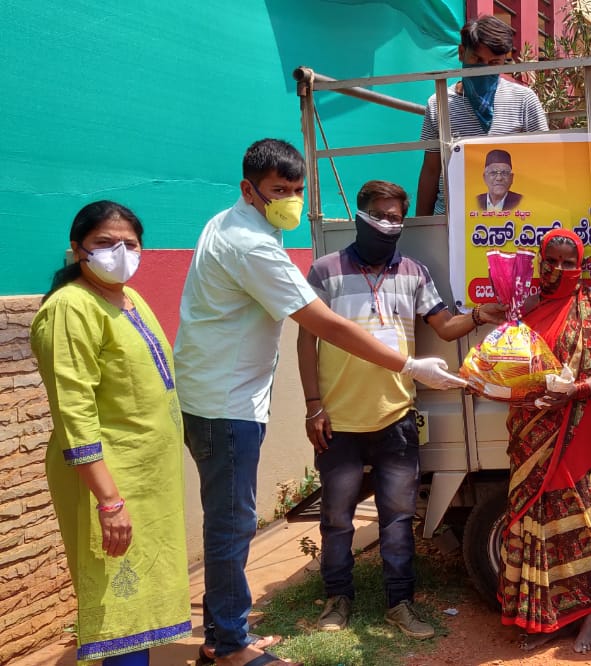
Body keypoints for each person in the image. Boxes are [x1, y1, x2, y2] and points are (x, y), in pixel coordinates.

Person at [175, 139, 465, 666]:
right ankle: (231, 644)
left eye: (296, 190)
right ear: (249, 190)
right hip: (229, 403)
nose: (290, 200)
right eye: (277, 191)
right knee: (236, 524)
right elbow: (320, 326)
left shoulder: (236, 226)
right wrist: (404, 366)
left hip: (241, 398)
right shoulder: (259, 248)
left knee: (242, 521)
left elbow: (442, 321)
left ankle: (226, 634)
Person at [298, 180, 506, 638]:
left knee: (396, 521)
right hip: (338, 421)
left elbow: (444, 326)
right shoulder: (325, 270)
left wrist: (478, 316)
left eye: (397, 217)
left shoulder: (413, 271)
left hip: (395, 418)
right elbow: (306, 337)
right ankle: (337, 600)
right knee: (336, 519)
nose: (389, 224)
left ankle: (401, 604)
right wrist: (314, 406)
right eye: (381, 215)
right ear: (361, 215)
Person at [30, 201, 191, 665]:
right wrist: (109, 501)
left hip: (146, 479)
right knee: (117, 602)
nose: (119, 252)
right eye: (104, 242)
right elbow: (73, 411)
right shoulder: (69, 308)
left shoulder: (128, 297)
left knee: (139, 600)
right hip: (109, 481)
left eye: (130, 243)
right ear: (77, 249)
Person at [497, 228, 591, 653]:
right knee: (535, 522)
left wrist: (578, 389)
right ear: (540, 263)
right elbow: (502, 360)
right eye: (550, 262)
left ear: (581, 266)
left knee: (583, 523)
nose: (558, 270)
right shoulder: (522, 309)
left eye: (567, 263)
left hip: (578, 428)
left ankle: (589, 616)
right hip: (530, 432)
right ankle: (547, 620)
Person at [417, 16, 548, 216]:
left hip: (511, 219)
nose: (483, 68)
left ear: (504, 60)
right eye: (477, 60)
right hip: (451, 221)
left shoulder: (524, 100)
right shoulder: (438, 104)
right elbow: (431, 171)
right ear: (462, 53)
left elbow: (544, 162)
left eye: (493, 62)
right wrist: (423, 227)